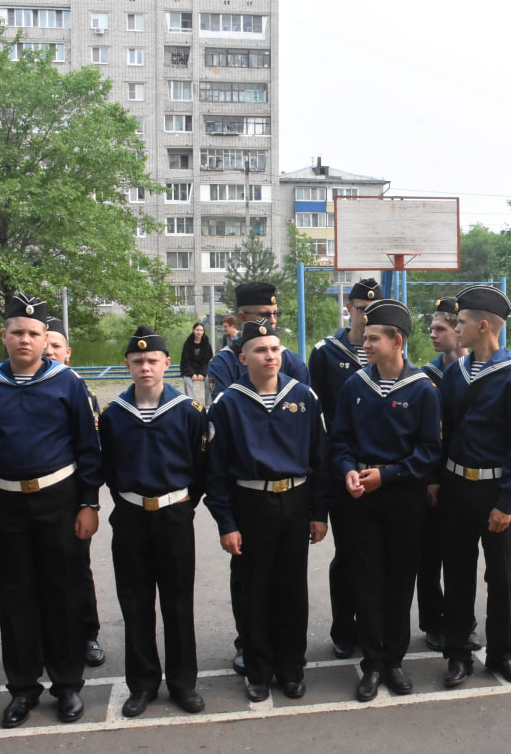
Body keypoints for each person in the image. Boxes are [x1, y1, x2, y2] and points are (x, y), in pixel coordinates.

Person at [0, 293, 102, 728]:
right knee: (15, 598)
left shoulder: (67, 383)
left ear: (46, 339)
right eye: (17, 332)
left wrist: (88, 502)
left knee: (61, 595)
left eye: (33, 333)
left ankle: (67, 686)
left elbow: (88, 448)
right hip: (5, 503)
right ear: (3, 336)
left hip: (58, 500)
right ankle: (23, 688)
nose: (25, 339)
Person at [205, 320, 329, 703]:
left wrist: (319, 512)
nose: (271, 356)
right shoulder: (228, 403)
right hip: (250, 503)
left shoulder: (304, 397)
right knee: (253, 589)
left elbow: (319, 458)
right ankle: (258, 670)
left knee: (291, 589)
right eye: (261, 350)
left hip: (294, 500)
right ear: (243, 358)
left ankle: (291, 668)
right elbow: (216, 470)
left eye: (275, 349)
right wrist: (226, 522)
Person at [331, 300, 441, 700]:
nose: (365, 344)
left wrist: (389, 475)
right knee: (367, 580)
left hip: (403, 499)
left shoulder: (423, 389)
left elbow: (430, 452)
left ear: (397, 341)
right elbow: (339, 440)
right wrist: (347, 469)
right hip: (361, 496)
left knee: (399, 581)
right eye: (365, 336)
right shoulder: (354, 386)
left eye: (374, 338)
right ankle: (372, 663)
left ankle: (394, 661)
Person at [99, 327, 207, 717]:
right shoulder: (113, 415)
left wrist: (181, 506)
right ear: (128, 365)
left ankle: (182, 683)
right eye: (137, 361)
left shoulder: (188, 411)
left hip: (175, 515)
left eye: (152, 360)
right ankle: (142, 684)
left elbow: (200, 466)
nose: (145, 367)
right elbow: (108, 467)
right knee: (135, 603)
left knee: (179, 603)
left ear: (166, 364)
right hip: (130, 516)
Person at [437, 284, 511, 687]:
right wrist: (438, 483)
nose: (454, 327)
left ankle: (501, 654)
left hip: (495, 493)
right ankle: (458, 653)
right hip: (456, 487)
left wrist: (507, 502)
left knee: (501, 576)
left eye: (460, 322)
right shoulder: (454, 373)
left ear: (483, 326)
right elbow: (442, 434)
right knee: (458, 572)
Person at [309, 277, 382, 660]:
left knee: (378, 555)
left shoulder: (384, 351)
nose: (365, 317)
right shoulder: (325, 353)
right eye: (359, 309)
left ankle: (375, 627)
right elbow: (314, 412)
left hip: (380, 467)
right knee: (348, 554)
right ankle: (344, 628)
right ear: (349, 309)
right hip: (341, 466)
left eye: (372, 311)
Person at [418, 297, 481, 652]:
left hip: (463, 478)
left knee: (462, 559)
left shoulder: (480, 373)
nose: (434, 335)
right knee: (428, 557)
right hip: (431, 477)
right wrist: (429, 478)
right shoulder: (425, 376)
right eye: (432, 329)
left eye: (441, 328)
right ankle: (432, 622)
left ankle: (462, 622)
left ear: (460, 331)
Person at [43, 317, 107, 669]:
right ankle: (47, 635)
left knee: (76, 567)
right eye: (45, 343)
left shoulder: (80, 390)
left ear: (67, 353)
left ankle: (87, 633)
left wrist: (89, 500)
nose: (49, 350)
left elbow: (90, 447)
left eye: (56, 345)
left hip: (71, 492)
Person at [207, 282, 310, 396]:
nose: (273, 320)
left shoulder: (292, 361)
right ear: (243, 317)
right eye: (265, 314)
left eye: (275, 314)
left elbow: (304, 406)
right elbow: (224, 409)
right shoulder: (224, 363)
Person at [179, 322, 214, 404]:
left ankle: (209, 405)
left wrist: (202, 373)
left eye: (201, 330)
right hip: (189, 370)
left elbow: (208, 360)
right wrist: (192, 374)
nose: (199, 332)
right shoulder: (187, 343)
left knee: (210, 380)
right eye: (197, 330)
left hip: (203, 369)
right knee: (187, 382)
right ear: (193, 330)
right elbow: (185, 361)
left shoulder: (206, 343)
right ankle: (193, 405)